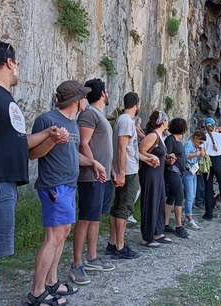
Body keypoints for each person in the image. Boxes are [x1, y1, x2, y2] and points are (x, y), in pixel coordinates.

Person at [0, 40, 70, 306]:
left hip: (3, 185)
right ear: (9, 62)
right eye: (17, 62)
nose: (18, 67)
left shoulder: (6, 99)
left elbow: (20, 143)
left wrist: (49, 136)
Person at [27, 80, 107, 305]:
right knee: (53, 238)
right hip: (54, 186)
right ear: (76, 100)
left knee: (62, 235)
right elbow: (33, 154)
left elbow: (73, 155)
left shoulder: (72, 123)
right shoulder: (47, 120)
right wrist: (52, 140)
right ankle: (37, 292)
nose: (85, 100)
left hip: (68, 186)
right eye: (83, 96)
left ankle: (51, 282)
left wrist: (92, 163)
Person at [70, 78, 115, 286]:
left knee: (95, 217)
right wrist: (94, 166)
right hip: (90, 176)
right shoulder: (88, 113)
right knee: (86, 217)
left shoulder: (98, 115)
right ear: (103, 93)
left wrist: (110, 170)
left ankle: (92, 257)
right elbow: (83, 143)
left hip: (101, 175)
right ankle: (77, 263)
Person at [104, 92, 143, 259]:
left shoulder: (123, 120)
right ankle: (120, 246)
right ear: (137, 104)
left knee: (118, 207)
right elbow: (121, 148)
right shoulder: (126, 121)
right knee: (124, 208)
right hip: (128, 171)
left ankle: (113, 243)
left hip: (126, 169)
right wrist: (121, 172)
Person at [139, 111, 175, 247]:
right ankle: (146, 237)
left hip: (158, 173)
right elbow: (140, 150)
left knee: (159, 201)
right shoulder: (153, 135)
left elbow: (157, 153)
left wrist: (167, 159)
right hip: (150, 173)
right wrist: (150, 158)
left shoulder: (160, 136)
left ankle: (157, 232)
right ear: (163, 121)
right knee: (150, 202)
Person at [163, 118, 191, 238]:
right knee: (180, 195)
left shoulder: (177, 140)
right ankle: (179, 226)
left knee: (172, 196)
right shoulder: (171, 139)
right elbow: (166, 154)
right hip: (172, 171)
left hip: (178, 171)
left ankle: (165, 223)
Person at [183, 131, 206, 230]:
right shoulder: (189, 144)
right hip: (188, 171)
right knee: (189, 195)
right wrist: (196, 153)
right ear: (195, 138)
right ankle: (189, 217)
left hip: (193, 171)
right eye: (199, 142)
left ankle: (188, 216)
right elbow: (186, 155)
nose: (200, 144)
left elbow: (202, 155)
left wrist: (201, 149)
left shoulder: (198, 147)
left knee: (192, 195)